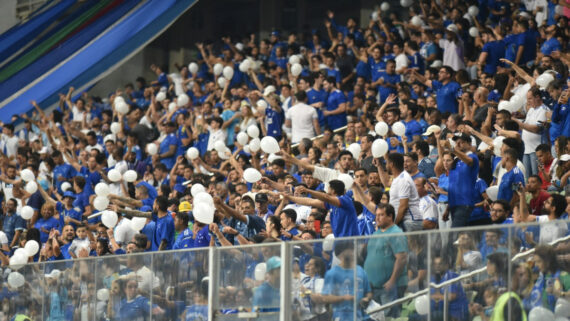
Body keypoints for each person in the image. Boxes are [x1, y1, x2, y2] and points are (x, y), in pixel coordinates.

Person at [363, 203, 408, 317]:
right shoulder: (376, 233)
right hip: (373, 287)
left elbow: (401, 258)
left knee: (390, 317)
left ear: (390, 216)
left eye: (381, 215)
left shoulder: (396, 233)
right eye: (376, 215)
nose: (377, 218)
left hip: (389, 287)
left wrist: (392, 281)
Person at [317, 240, 372, 321]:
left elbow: (368, 292)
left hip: (360, 315)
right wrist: (344, 298)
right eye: (349, 250)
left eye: (352, 250)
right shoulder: (332, 273)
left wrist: (366, 299)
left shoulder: (360, 270)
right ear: (340, 254)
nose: (352, 253)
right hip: (341, 316)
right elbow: (325, 298)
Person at [283, 180, 359, 237]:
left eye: (311, 221)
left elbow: (326, 197)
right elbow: (310, 201)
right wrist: (289, 197)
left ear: (332, 190)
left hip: (351, 239)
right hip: (339, 240)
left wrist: (307, 190)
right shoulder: (330, 204)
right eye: (308, 221)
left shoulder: (345, 200)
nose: (308, 223)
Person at [385, 153, 423, 231]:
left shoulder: (403, 180)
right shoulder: (398, 178)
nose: (386, 166)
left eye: (387, 163)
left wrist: (394, 225)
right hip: (405, 221)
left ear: (391, 164)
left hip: (409, 221)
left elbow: (403, 206)